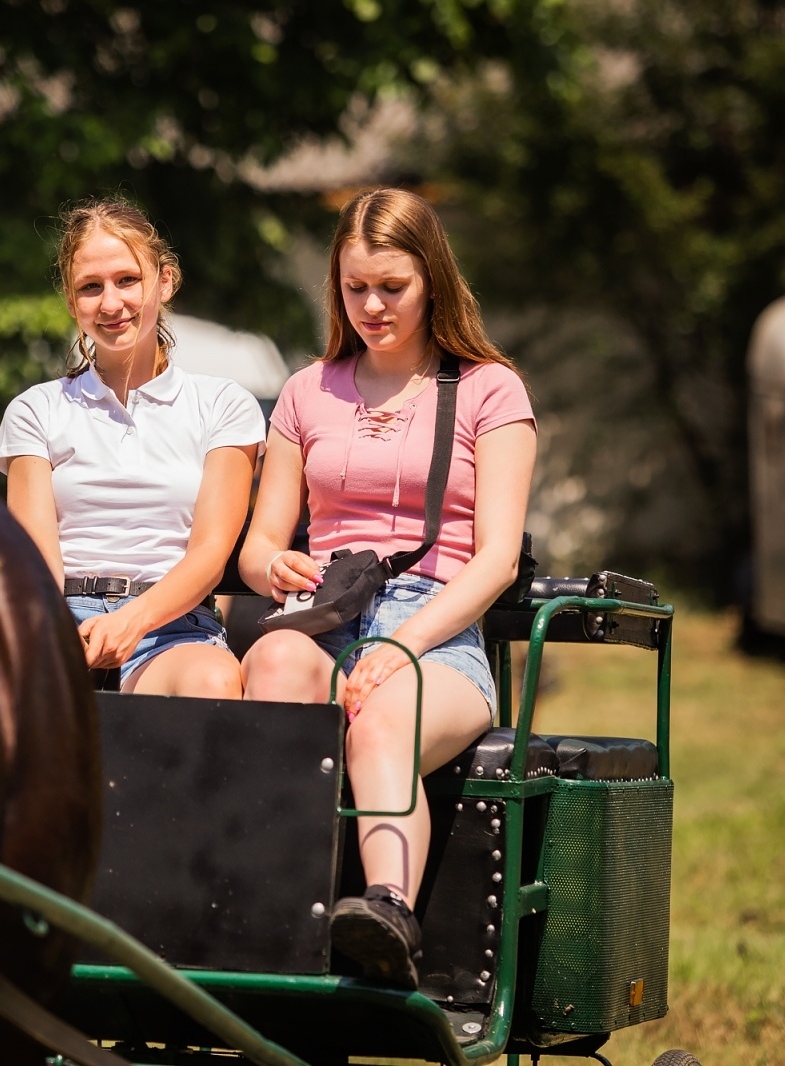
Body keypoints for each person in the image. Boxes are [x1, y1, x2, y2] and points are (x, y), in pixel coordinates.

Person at [238, 188, 537, 988]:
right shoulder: (308, 390)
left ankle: (386, 914)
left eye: (391, 288)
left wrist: (404, 644)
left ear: (432, 279)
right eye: (354, 287)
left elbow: (497, 559)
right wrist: (273, 566)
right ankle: (267, 902)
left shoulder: (488, 390)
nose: (372, 306)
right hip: (328, 610)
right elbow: (260, 543)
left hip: (437, 631)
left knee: (380, 721)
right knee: (267, 669)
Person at [0, 198, 264, 696]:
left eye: (127, 280)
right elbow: (37, 558)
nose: (110, 303)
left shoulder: (223, 404)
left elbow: (209, 553)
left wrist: (132, 621)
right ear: (73, 304)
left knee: (214, 680)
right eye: (90, 288)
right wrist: (57, 636)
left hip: (174, 627)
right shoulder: (36, 410)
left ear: (165, 281)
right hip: (60, 617)